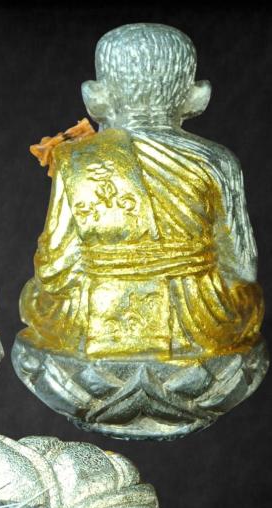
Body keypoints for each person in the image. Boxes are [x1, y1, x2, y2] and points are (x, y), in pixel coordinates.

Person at [20, 23, 263, 360]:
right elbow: (242, 267)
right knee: (248, 301)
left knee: (35, 300)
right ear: (197, 96)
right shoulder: (218, 161)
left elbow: (54, 264)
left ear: (95, 96)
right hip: (198, 322)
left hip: (91, 322)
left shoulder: (76, 158)